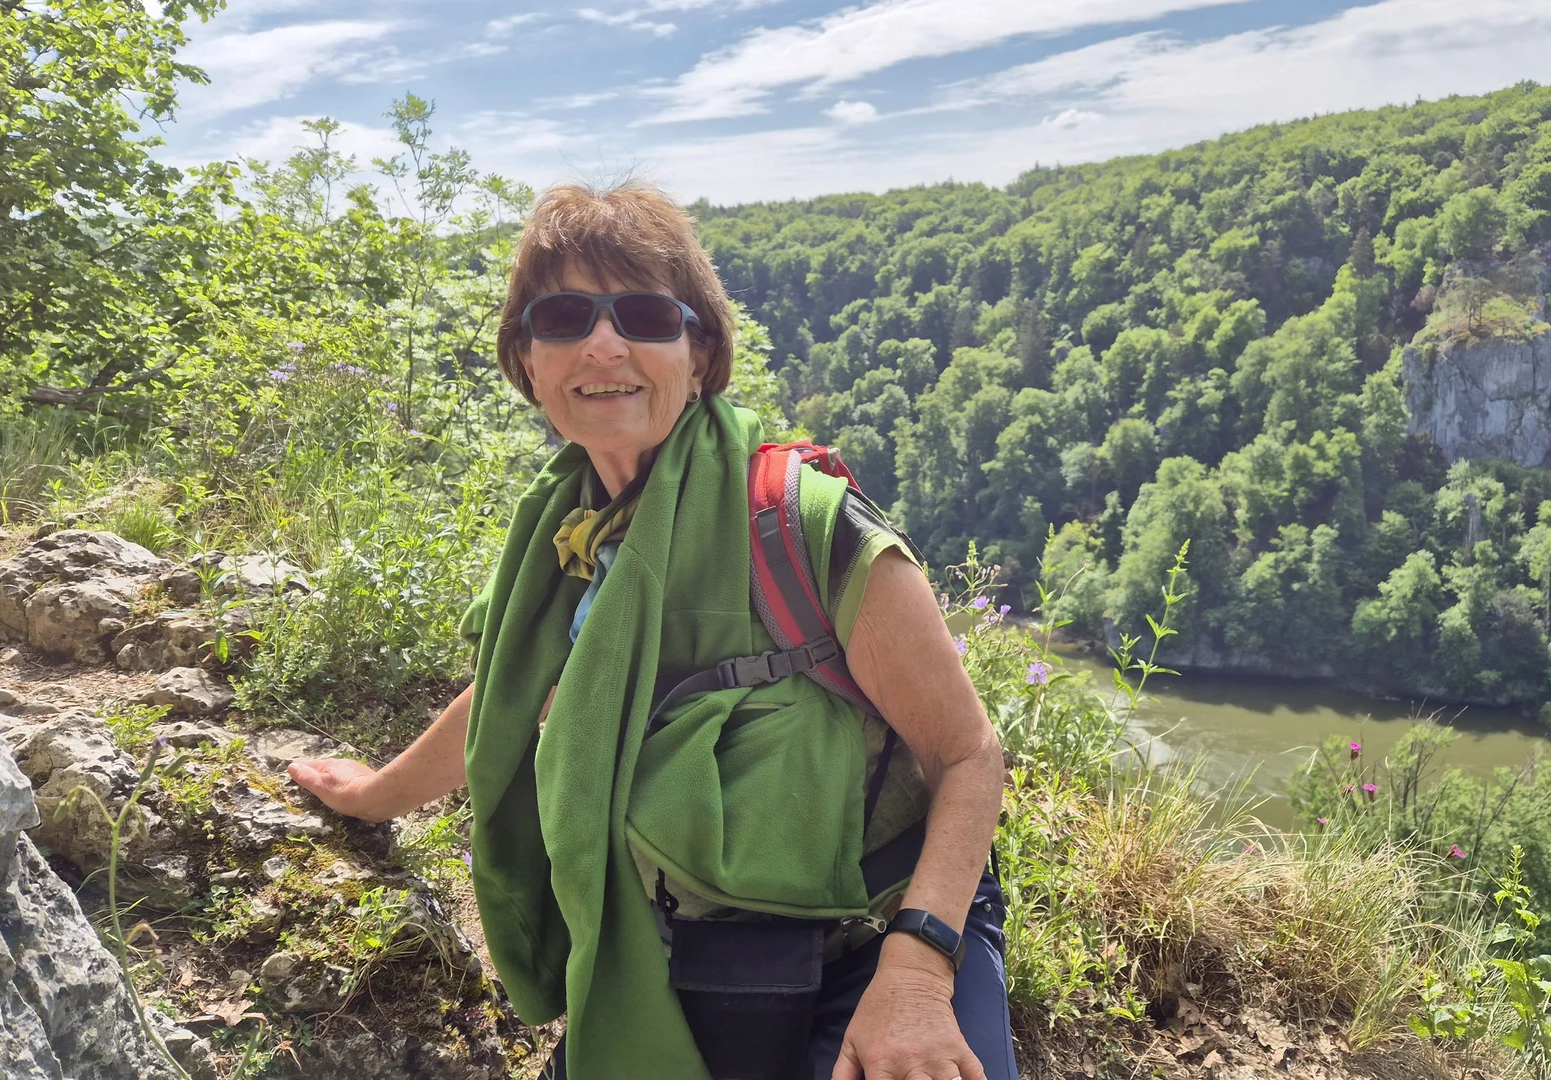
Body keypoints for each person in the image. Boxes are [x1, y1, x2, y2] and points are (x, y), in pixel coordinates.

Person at [286, 181, 1017, 1080]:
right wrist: (375, 795)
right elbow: (520, 696)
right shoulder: (574, 532)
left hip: (878, 927)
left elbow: (970, 755)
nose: (603, 343)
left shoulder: (803, 524)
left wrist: (915, 971)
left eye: (643, 313)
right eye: (562, 317)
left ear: (700, 353)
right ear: (528, 359)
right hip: (678, 941)